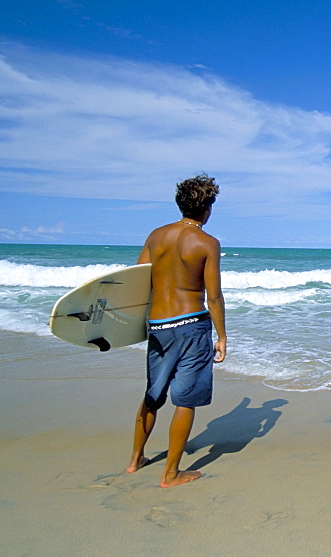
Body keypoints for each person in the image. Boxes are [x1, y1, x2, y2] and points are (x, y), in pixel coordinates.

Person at [125, 174, 227, 488]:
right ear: (207, 208)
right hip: (192, 326)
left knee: (152, 396)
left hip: (158, 326)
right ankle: (170, 474)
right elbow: (213, 296)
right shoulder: (207, 243)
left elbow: (137, 281)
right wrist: (222, 337)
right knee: (186, 399)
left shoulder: (156, 236)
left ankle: (135, 459)